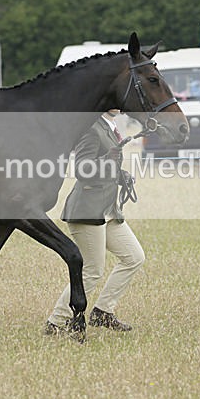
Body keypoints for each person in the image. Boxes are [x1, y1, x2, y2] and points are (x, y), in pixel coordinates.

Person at [45, 109, 145, 334]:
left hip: (107, 209)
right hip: (87, 210)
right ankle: (56, 322)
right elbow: (82, 169)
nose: (117, 105)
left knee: (134, 257)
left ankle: (102, 312)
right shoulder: (90, 128)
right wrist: (105, 160)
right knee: (92, 270)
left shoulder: (111, 126)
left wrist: (121, 176)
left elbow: (107, 166)